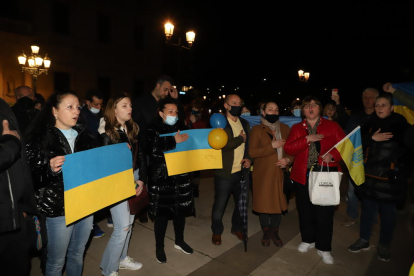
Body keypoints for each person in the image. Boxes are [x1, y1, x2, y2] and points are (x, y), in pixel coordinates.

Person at [25, 90, 97, 276]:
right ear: (55, 111)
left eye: (78, 107)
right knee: (57, 261)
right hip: (57, 209)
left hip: (85, 205)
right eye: (70, 107)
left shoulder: (86, 137)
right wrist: (48, 169)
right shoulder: (40, 139)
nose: (76, 111)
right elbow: (30, 178)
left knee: (77, 253)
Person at [349, 93, 410, 262]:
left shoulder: (401, 126)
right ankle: (364, 240)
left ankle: (384, 244)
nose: (379, 108)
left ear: (391, 108)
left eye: (383, 105)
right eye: (377, 105)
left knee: (388, 214)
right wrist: (371, 139)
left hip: (389, 179)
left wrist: (400, 169)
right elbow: (354, 143)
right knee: (367, 210)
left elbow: (409, 152)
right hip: (369, 177)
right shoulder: (369, 125)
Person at [284, 96, 345, 265]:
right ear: (303, 111)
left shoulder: (332, 126)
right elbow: (288, 148)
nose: (310, 109)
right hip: (302, 176)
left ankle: (324, 248)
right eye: (306, 106)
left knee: (324, 213)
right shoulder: (297, 128)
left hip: (325, 175)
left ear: (319, 108)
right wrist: (306, 139)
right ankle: (308, 239)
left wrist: (333, 155)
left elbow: (346, 146)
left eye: (313, 105)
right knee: (305, 211)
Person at [98, 93, 145, 275]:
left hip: (134, 178)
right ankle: (109, 269)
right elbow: (105, 166)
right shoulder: (107, 133)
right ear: (114, 109)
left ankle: (122, 258)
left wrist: (141, 179)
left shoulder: (131, 129)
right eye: (124, 105)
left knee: (129, 223)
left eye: (130, 105)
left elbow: (140, 157)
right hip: (116, 183)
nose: (130, 109)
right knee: (122, 227)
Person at [146, 98, 195, 263]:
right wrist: (173, 140)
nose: (174, 115)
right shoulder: (153, 128)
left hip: (181, 177)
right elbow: (152, 148)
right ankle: (159, 246)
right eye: (170, 112)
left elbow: (191, 146)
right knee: (161, 215)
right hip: (162, 179)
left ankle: (179, 241)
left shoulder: (182, 127)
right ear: (161, 113)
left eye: (176, 112)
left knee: (180, 211)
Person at [132, 75, 183, 223]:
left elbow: (179, 118)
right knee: (144, 177)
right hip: (144, 145)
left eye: (169, 90)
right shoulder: (141, 101)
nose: (167, 92)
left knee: (158, 180)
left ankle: (154, 207)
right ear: (157, 85)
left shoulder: (166, 102)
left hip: (165, 146)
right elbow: (136, 126)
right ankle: (142, 208)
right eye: (165, 89)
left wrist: (175, 99)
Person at [0, 99, 37, 276]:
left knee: (20, 266)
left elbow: (20, 165)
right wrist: (10, 143)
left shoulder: (2, 105)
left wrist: (23, 204)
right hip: (4, 216)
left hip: (14, 210)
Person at [249, 101, 293, 247]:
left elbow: (292, 151)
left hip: (280, 173)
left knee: (278, 203)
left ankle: (274, 230)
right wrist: (271, 146)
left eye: (276, 109)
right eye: (270, 109)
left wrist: (288, 160)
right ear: (263, 112)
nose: (273, 112)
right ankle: (266, 231)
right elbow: (253, 152)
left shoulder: (286, 128)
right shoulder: (256, 129)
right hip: (263, 174)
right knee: (264, 203)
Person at [211, 94, 252, 246]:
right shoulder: (220, 124)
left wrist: (249, 159)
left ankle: (237, 228)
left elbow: (249, 146)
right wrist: (240, 139)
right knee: (219, 205)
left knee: (242, 204)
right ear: (226, 106)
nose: (237, 105)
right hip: (224, 174)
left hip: (242, 172)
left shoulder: (245, 123)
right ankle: (216, 231)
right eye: (233, 103)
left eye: (239, 103)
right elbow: (221, 146)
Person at [342, 88, 379, 227]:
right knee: (352, 191)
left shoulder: (380, 117)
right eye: (365, 97)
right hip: (357, 159)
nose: (367, 100)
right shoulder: (355, 117)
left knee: (372, 192)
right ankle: (352, 215)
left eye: (371, 97)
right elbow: (347, 137)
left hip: (374, 161)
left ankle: (372, 219)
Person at [185, 98, 208, 197]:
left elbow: (200, 133)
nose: (194, 109)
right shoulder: (187, 115)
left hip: (197, 147)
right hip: (187, 145)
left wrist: (194, 123)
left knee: (196, 169)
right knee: (187, 167)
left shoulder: (203, 119)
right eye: (193, 107)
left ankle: (195, 189)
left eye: (197, 108)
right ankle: (187, 187)